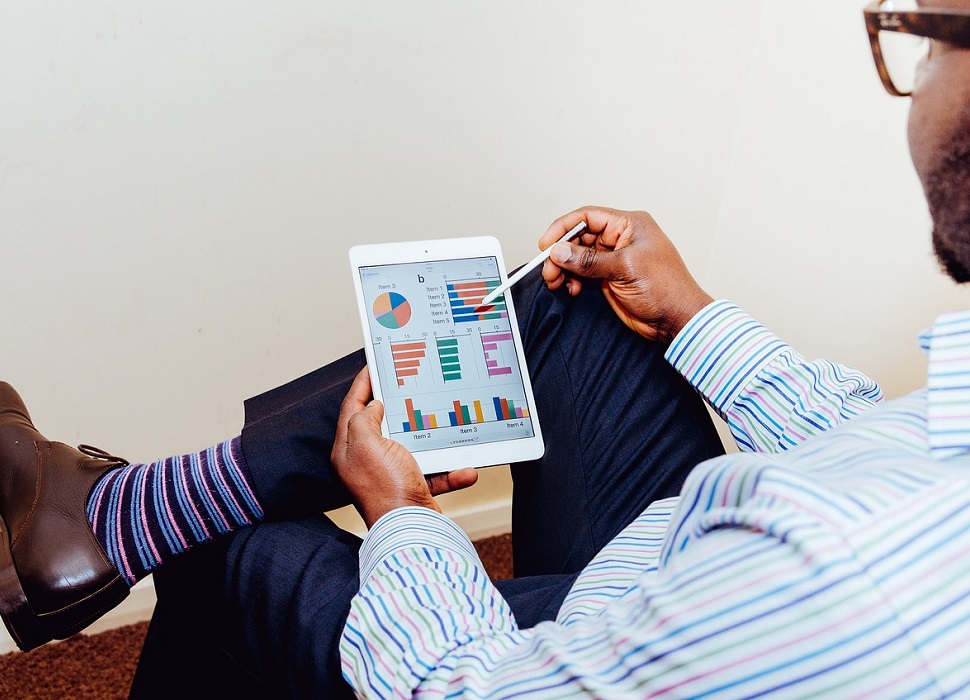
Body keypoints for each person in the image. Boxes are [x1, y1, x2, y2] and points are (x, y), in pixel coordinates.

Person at [1, 0, 967, 696]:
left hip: (609, 641)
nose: (915, 83)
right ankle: (102, 526)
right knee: (576, 303)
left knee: (238, 549)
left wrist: (404, 516)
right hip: (680, 565)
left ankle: (126, 521)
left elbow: (466, 686)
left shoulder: (854, 573)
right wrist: (693, 315)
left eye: (926, 39)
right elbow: (879, 443)